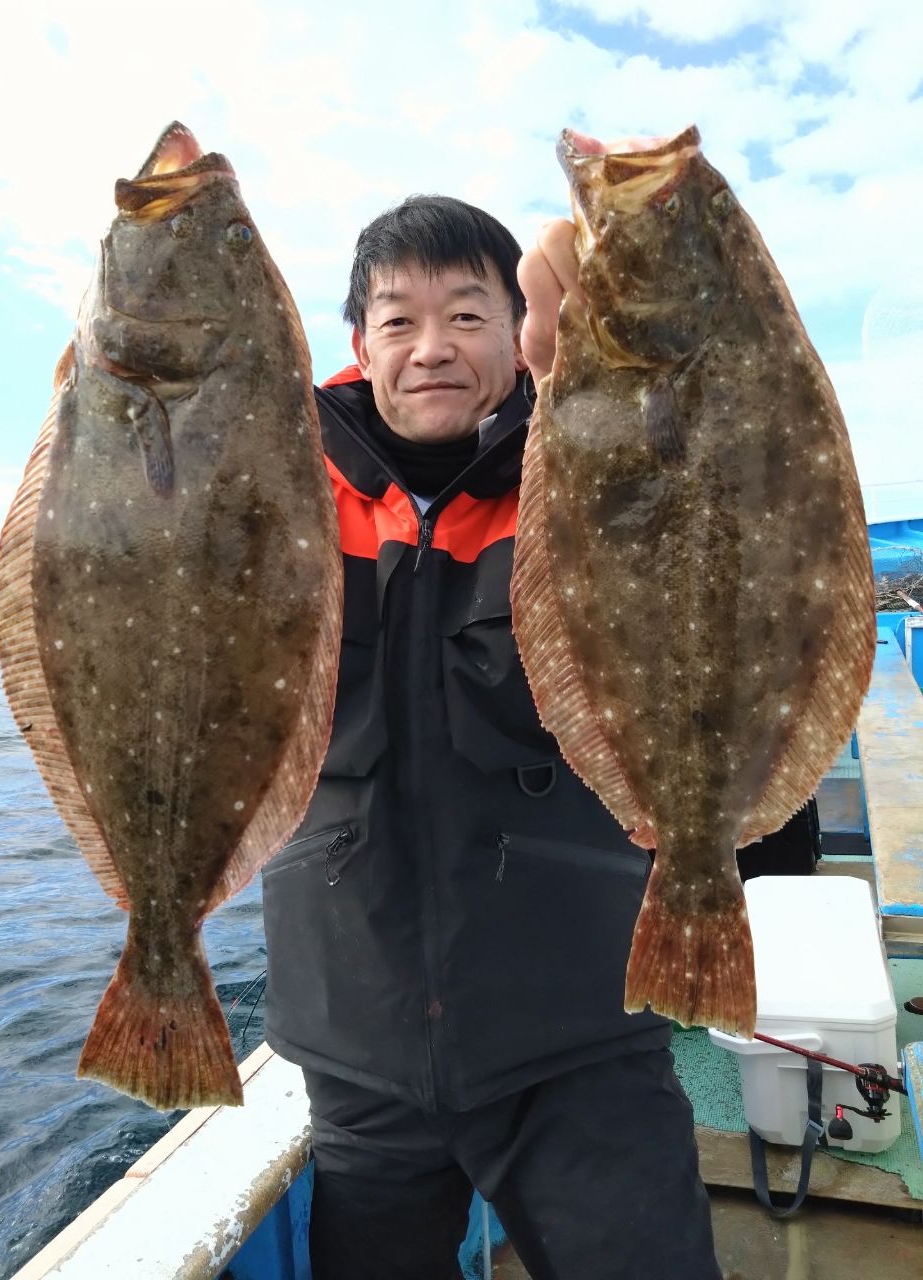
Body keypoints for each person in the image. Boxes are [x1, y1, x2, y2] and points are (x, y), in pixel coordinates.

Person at [260, 194, 723, 1280]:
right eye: (397, 320)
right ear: (357, 342)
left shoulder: (599, 458)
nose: (432, 348)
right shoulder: (272, 487)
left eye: (469, 315)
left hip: (582, 1038)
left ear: (522, 330)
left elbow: (721, 483)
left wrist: (621, 313)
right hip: (357, 1052)